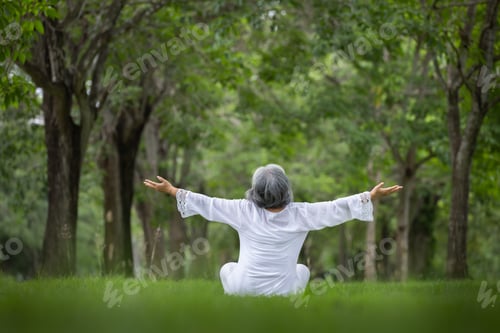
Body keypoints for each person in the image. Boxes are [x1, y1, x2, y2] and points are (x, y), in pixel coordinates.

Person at [143, 164, 402, 296]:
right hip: (284, 291)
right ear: (286, 190)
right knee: (303, 270)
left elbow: (207, 204)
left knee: (226, 269)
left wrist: (172, 190)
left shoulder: (242, 210)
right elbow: (337, 208)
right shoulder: (303, 214)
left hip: (243, 288)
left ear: (255, 192)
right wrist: (370, 195)